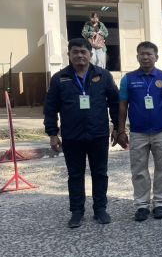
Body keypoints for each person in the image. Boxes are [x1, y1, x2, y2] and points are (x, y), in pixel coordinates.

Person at [44, 38, 119, 228]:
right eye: (75, 52)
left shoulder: (103, 75)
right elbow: (50, 108)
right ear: (68, 55)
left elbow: (115, 103)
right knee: (75, 175)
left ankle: (100, 209)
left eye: (83, 52)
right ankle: (77, 212)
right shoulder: (59, 78)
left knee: (100, 173)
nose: (79, 55)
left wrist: (118, 127)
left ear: (90, 54)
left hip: (98, 134)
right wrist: (52, 133)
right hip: (72, 136)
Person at [116, 41, 162, 222]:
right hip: (138, 132)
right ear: (137, 56)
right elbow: (122, 106)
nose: (145, 57)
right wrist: (121, 130)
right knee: (139, 170)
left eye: (149, 54)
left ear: (156, 57)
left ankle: (159, 203)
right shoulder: (128, 79)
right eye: (142, 54)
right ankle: (141, 205)